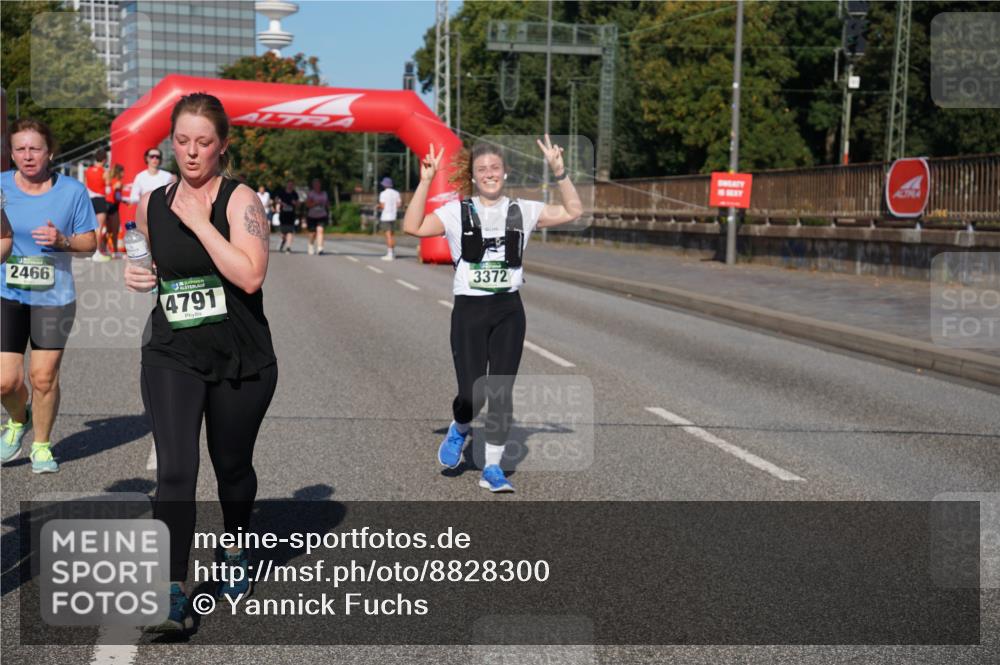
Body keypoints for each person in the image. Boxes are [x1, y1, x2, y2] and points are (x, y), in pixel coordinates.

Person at [123, 93, 277, 631]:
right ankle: (170, 589)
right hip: (172, 352)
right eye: (182, 141)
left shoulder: (241, 201)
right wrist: (138, 275)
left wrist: (202, 222)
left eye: (203, 143)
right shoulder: (150, 203)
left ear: (222, 146)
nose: (191, 153)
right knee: (176, 469)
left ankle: (235, 549)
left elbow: (251, 276)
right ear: (171, 142)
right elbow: (148, 261)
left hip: (241, 355)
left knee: (231, 467)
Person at [403, 136, 583, 492]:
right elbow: (413, 227)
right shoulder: (457, 212)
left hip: (508, 310)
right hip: (469, 310)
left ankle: (493, 468)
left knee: (500, 391)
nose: (489, 174)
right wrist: (425, 181)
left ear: (505, 172)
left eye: (495, 168)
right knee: (473, 394)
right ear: (473, 176)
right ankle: (460, 426)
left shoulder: (524, 210)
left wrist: (560, 173)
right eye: (482, 169)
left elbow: (573, 211)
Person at [1, 118, 98, 473]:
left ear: (50, 152)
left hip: (53, 297)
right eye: (20, 149)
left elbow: (90, 243)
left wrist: (63, 241)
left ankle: (41, 445)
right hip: (6, 292)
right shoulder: (0, 188)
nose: (28, 156)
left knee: (43, 377)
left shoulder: (71, 192)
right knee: (6, 380)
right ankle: (17, 419)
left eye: (35, 148)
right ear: (11, 153)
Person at [85, 148, 110, 262]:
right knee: (99, 227)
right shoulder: (105, 172)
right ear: (104, 159)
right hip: (100, 199)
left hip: (89, 200)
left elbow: (86, 185)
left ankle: (88, 251)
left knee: (90, 227)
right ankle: (96, 252)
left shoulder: (88, 170)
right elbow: (108, 185)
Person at [377, 176, 402, 261]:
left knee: (388, 236)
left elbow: (382, 206)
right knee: (392, 235)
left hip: (386, 216)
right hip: (393, 215)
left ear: (384, 185)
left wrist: (378, 206)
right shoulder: (396, 193)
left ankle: (390, 253)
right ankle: (392, 252)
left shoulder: (383, 194)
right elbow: (399, 204)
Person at [304, 178, 329, 255]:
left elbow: (327, 204)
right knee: (312, 233)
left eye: (318, 184)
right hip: (312, 216)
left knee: (320, 230)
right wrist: (315, 203)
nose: (317, 186)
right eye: (315, 184)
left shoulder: (324, 193)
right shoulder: (311, 194)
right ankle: (311, 245)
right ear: (313, 186)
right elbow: (307, 205)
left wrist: (325, 205)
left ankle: (320, 248)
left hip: (322, 215)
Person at [104, 163, 124, 256]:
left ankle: (104, 249)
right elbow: (116, 196)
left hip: (108, 206)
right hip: (112, 206)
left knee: (109, 230)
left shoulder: (112, 181)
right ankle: (115, 251)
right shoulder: (118, 182)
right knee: (114, 230)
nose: (124, 174)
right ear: (119, 172)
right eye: (123, 172)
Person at [274, 180, 298, 253]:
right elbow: (276, 199)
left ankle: (288, 247)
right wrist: (281, 203)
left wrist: (295, 203)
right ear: (287, 185)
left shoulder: (294, 193)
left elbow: (298, 203)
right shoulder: (282, 192)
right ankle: (283, 240)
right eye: (289, 184)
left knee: (290, 231)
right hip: (283, 215)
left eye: (292, 185)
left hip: (291, 215)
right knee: (283, 233)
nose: (290, 186)